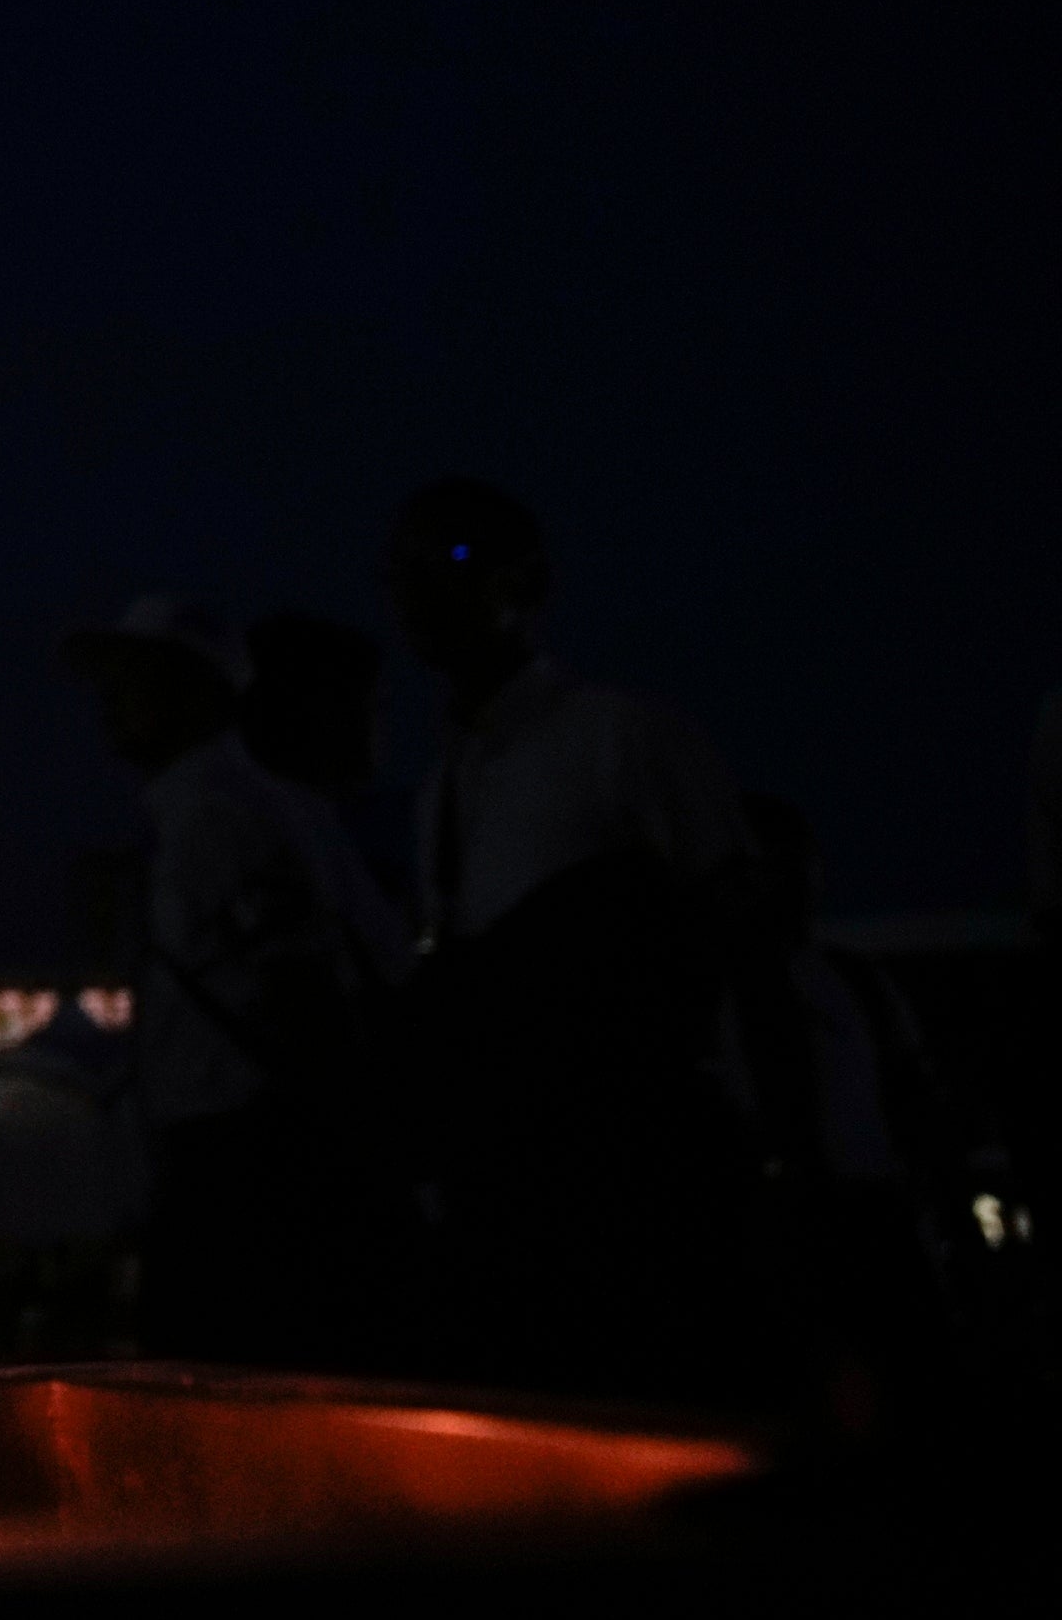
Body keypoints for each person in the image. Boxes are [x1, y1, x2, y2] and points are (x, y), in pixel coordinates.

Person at [382, 476, 761, 1396]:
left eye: (458, 559)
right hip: (513, 1163)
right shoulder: (445, 789)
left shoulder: (616, 739)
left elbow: (738, 925)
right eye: (408, 573)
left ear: (532, 582)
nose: (428, 588)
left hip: (631, 1151)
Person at [62, 593, 405, 1362]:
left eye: (136, 675)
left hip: (244, 1179)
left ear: (203, 688)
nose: (113, 698)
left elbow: (299, 998)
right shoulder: (239, 810)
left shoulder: (216, 817)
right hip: (254, 1170)